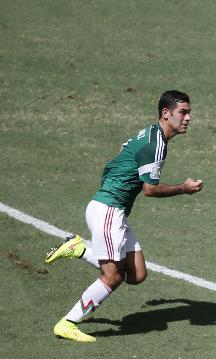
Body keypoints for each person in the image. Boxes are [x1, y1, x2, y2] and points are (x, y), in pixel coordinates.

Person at [45, 90, 204, 343]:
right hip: (109, 211)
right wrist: (183, 189)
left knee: (136, 274)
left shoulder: (150, 133)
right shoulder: (156, 144)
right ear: (166, 113)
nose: (188, 118)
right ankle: (68, 322)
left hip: (111, 210)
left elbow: (121, 152)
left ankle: (79, 248)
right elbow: (150, 190)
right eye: (183, 112)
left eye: (189, 112)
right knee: (113, 277)